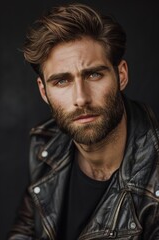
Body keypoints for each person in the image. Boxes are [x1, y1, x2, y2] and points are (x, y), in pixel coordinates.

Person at [9, 3, 159, 240]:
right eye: (61, 81)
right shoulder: (45, 146)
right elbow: (25, 230)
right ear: (43, 91)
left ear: (121, 75)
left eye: (94, 74)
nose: (81, 98)